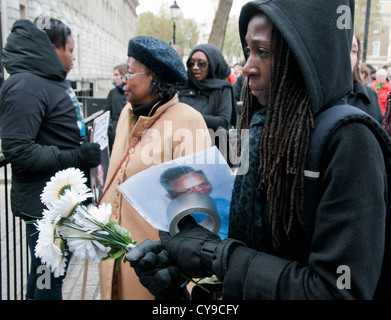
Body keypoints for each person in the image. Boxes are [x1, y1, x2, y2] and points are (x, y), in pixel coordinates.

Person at [126, 0, 390, 300]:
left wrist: (216, 256)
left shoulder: (351, 141)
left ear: (307, 56)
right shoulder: (259, 130)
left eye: (262, 52)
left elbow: (337, 291)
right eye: (248, 51)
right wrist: (175, 279)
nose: (248, 67)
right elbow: (240, 258)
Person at [98, 36, 211, 300]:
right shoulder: (128, 113)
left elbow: (200, 213)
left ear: (155, 78)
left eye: (130, 72)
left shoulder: (187, 121)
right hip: (114, 261)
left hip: (155, 274)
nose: (124, 79)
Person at [0, 17, 101, 300]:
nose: (73, 57)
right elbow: (18, 150)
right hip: (44, 203)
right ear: (52, 48)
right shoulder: (25, 86)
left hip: (60, 197)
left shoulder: (46, 79)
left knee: (45, 271)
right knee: (50, 274)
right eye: (69, 49)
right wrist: (74, 156)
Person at [178, 44, 237, 132]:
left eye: (202, 64)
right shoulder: (181, 84)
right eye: (191, 63)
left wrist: (190, 117)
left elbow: (223, 121)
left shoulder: (223, 88)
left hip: (212, 141)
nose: (195, 67)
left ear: (212, 65)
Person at [160, 166, 230, 240]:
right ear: (171, 197)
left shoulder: (221, 202)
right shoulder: (180, 219)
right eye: (187, 190)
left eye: (203, 184)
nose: (199, 190)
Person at [347, 34, 382, 124]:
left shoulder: (369, 97)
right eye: (344, 47)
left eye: (353, 51)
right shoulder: (313, 98)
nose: (348, 56)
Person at [104, 64, 128, 152]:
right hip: (114, 132)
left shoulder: (131, 92)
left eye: (117, 75)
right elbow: (106, 111)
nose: (114, 78)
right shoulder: (113, 92)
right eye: (114, 75)